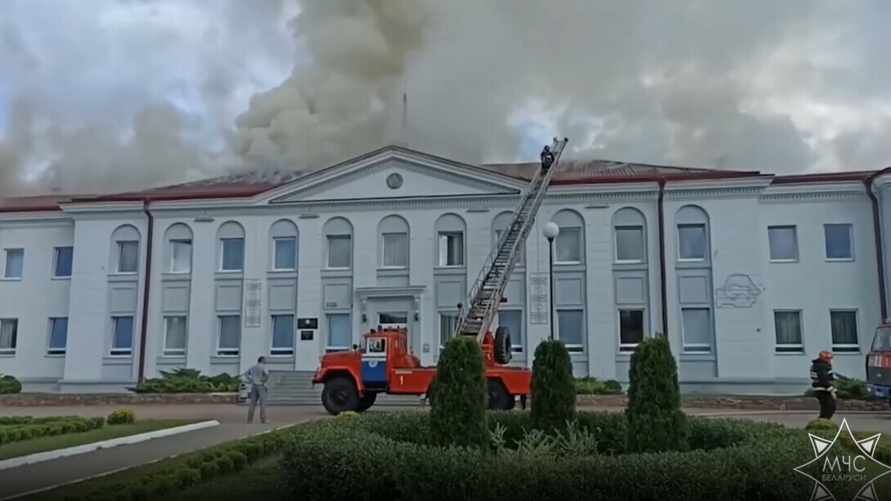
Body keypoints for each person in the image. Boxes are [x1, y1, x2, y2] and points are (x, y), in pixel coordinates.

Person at [810, 351, 836, 419]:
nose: (830, 360)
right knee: (829, 407)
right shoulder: (822, 366)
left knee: (826, 407)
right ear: (824, 358)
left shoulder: (819, 365)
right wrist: (832, 390)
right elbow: (824, 379)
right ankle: (823, 422)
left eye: (831, 358)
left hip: (821, 389)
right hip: (823, 390)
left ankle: (822, 421)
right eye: (829, 358)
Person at [243, 356, 270, 424]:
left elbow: (246, 374)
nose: (266, 361)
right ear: (262, 360)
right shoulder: (263, 367)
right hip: (261, 386)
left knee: (252, 404)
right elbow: (267, 375)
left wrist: (251, 380)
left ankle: (249, 420)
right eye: (265, 359)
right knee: (262, 403)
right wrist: (264, 380)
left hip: (254, 386)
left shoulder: (253, 367)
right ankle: (263, 420)